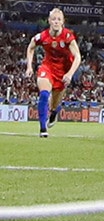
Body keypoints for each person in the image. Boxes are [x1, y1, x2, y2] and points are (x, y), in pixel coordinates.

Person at [24, 8, 81, 138]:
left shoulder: (67, 37)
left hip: (63, 71)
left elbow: (77, 56)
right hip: (47, 67)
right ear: (49, 21)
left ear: (63, 22)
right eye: (54, 19)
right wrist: (29, 66)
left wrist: (70, 73)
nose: (56, 22)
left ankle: (54, 112)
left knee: (55, 104)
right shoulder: (42, 36)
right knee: (44, 95)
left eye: (59, 19)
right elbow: (31, 47)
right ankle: (42, 128)